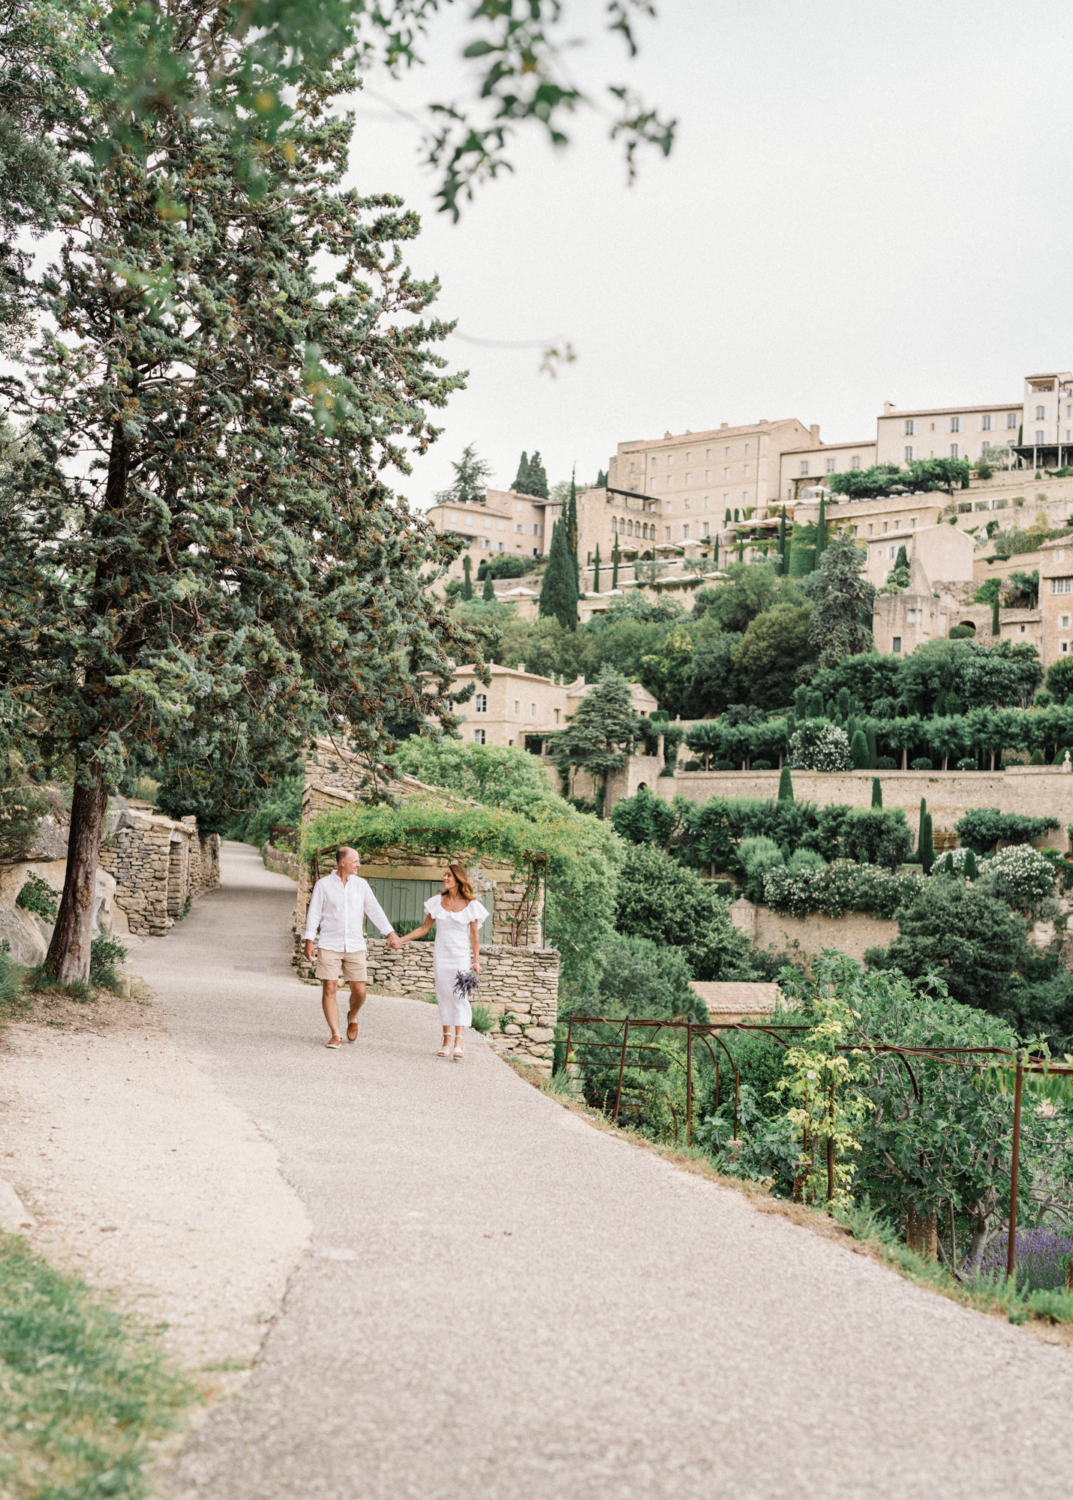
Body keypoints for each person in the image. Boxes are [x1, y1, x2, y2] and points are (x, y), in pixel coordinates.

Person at [303, 846, 401, 1049]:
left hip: (355, 944)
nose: (358, 864)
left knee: (359, 990)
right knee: (329, 987)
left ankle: (353, 1015)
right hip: (330, 943)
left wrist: (390, 933)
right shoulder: (323, 885)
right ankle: (336, 1034)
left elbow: (374, 910)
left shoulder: (361, 885)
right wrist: (309, 940)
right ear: (342, 862)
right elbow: (314, 914)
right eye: (355, 861)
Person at [397, 865, 487, 1061]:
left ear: (458, 879)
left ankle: (459, 1042)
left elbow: (474, 936)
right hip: (441, 956)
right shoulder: (437, 902)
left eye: (448, 875)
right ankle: (446, 1041)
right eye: (445, 875)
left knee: (459, 996)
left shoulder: (471, 905)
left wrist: (476, 961)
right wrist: (400, 940)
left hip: (460, 956)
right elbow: (424, 928)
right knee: (444, 994)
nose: (444, 878)